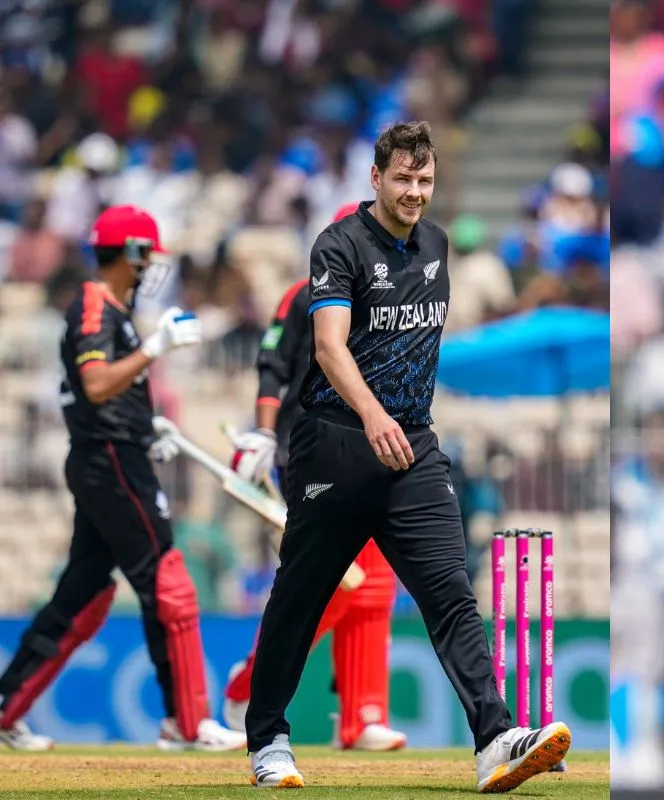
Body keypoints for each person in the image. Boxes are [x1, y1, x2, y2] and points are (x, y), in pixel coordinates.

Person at [243, 121, 571, 791]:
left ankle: (495, 738)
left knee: (450, 592)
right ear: (376, 178)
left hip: (413, 448)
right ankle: (269, 739)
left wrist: (398, 421)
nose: (415, 191)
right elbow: (331, 348)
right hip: (335, 443)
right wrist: (371, 414)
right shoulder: (338, 245)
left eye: (424, 180)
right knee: (300, 599)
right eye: (403, 179)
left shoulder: (439, 245)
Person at [0, 205, 245, 752]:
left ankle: (6, 704)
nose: (151, 267)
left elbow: (109, 390)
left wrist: (144, 423)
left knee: (82, 596)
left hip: (111, 452)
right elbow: (95, 383)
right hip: (109, 459)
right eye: (147, 256)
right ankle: (187, 723)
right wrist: (154, 349)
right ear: (131, 254)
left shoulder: (112, 311)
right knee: (169, 582)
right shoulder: (95, 305)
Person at [220, 201, 409, 752]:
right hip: (307, 450)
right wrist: (259, 432)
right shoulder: (304, 294)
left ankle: (361, 715)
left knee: (372, 583)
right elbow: (272, 365)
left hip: (369, 449)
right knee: (337, 580)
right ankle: (250, 682)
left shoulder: (395, 298)